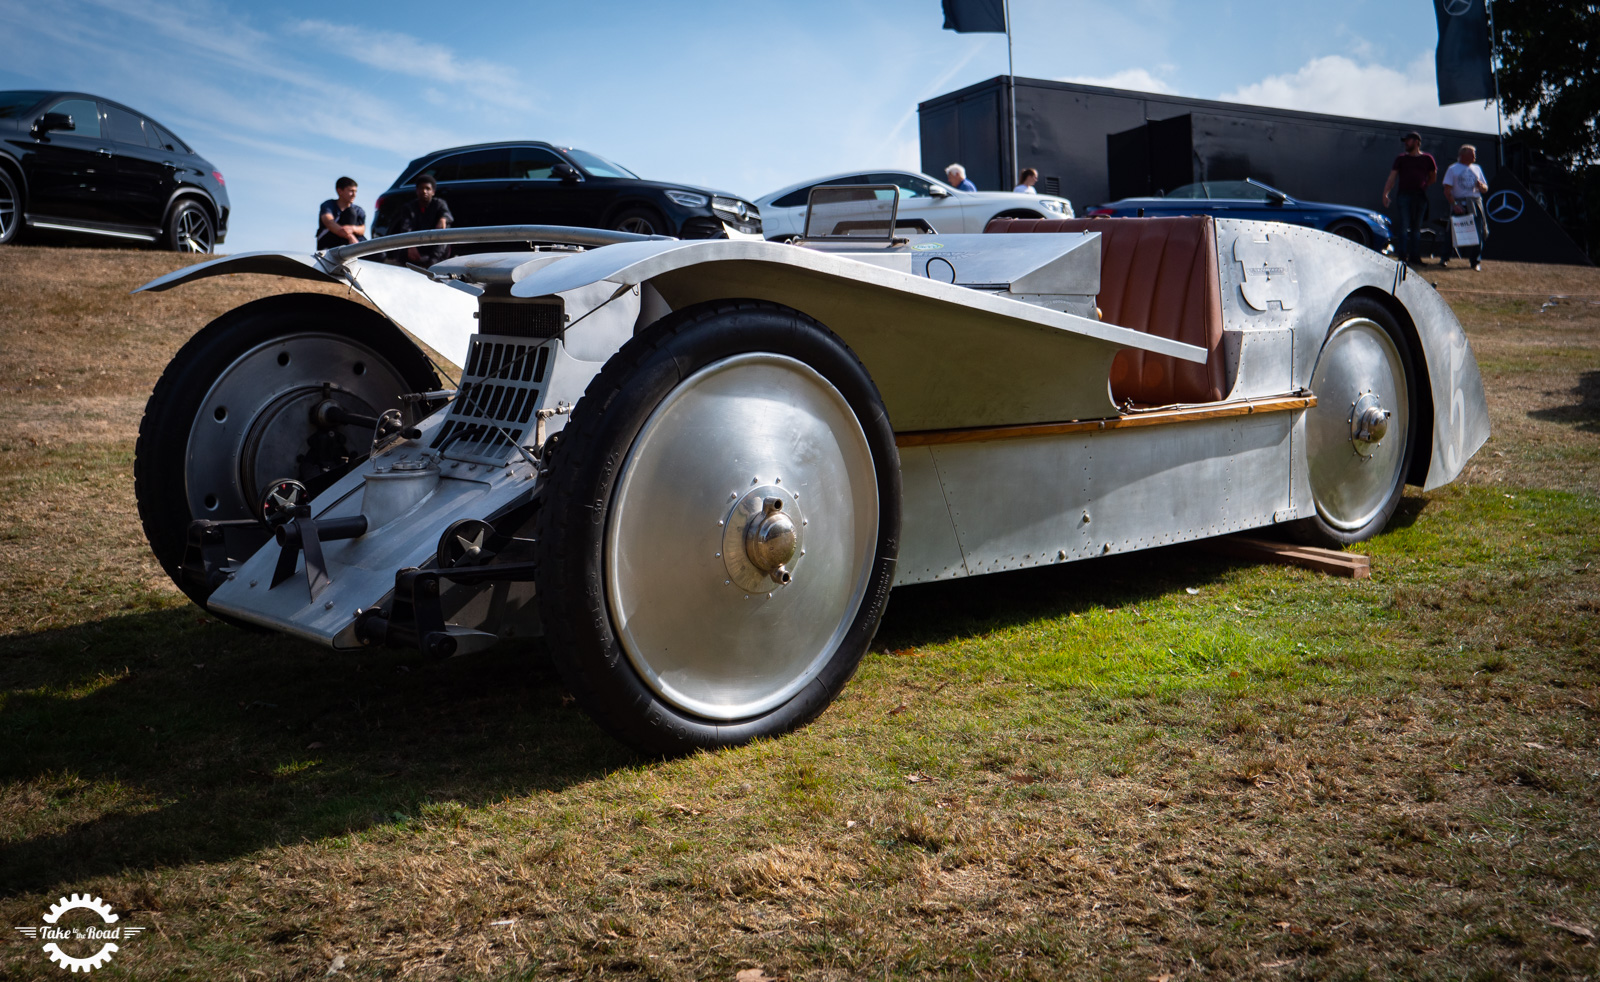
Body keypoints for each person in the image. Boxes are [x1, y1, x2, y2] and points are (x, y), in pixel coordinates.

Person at [1381, 131, 1436, 266]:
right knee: (1404, 226)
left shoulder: (1427, 158)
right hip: (1403, 195)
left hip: (1420, 197)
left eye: (1409, 140)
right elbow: (1392, 177)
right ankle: (1402, 256)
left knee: (1416, 228)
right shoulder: (1401, 159)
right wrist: (1385, 193)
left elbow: (1433, 177)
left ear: (1416, 142)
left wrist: (1423, 186)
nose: (1406, 143)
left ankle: (1415, 257)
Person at [1442, 143, 1490, 270]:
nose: (1475, 156)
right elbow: (1447, 190)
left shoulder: (1477, 168)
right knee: (1452, 232)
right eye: (1472, 154)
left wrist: (1482, 187)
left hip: (1475, 203)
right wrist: (1454, 205)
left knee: (1478, 232)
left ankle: (1475, 262)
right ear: (1463, 155)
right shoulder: (1453, 169)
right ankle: (1444, 258)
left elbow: (1485, 188)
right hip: (1459, 203)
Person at [393, 174, 454, 268]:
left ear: (433, 191)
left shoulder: (439, 204)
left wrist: (443, 218)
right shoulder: (409, 207)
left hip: (434, 249)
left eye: (428, 188)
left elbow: (447, 214)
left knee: (445, 229)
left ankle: (433, 263)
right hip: (416, 247)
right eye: (421, 188)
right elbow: (406, 228)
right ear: (417, 191)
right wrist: (410, 245)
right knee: (402, 247)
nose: (424, 191)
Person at [317, 176, 366, 250]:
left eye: (355, 191)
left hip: (353, 242)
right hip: (329, 242)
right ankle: (349, 249)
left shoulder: (358, 210)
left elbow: (362, 229)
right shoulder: (328, 205)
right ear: (340, 191)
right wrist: (350, 236)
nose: (354, 194)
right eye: (351, 191)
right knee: (350, 212)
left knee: (380, 255)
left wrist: (352, 229)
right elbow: (329, 222)